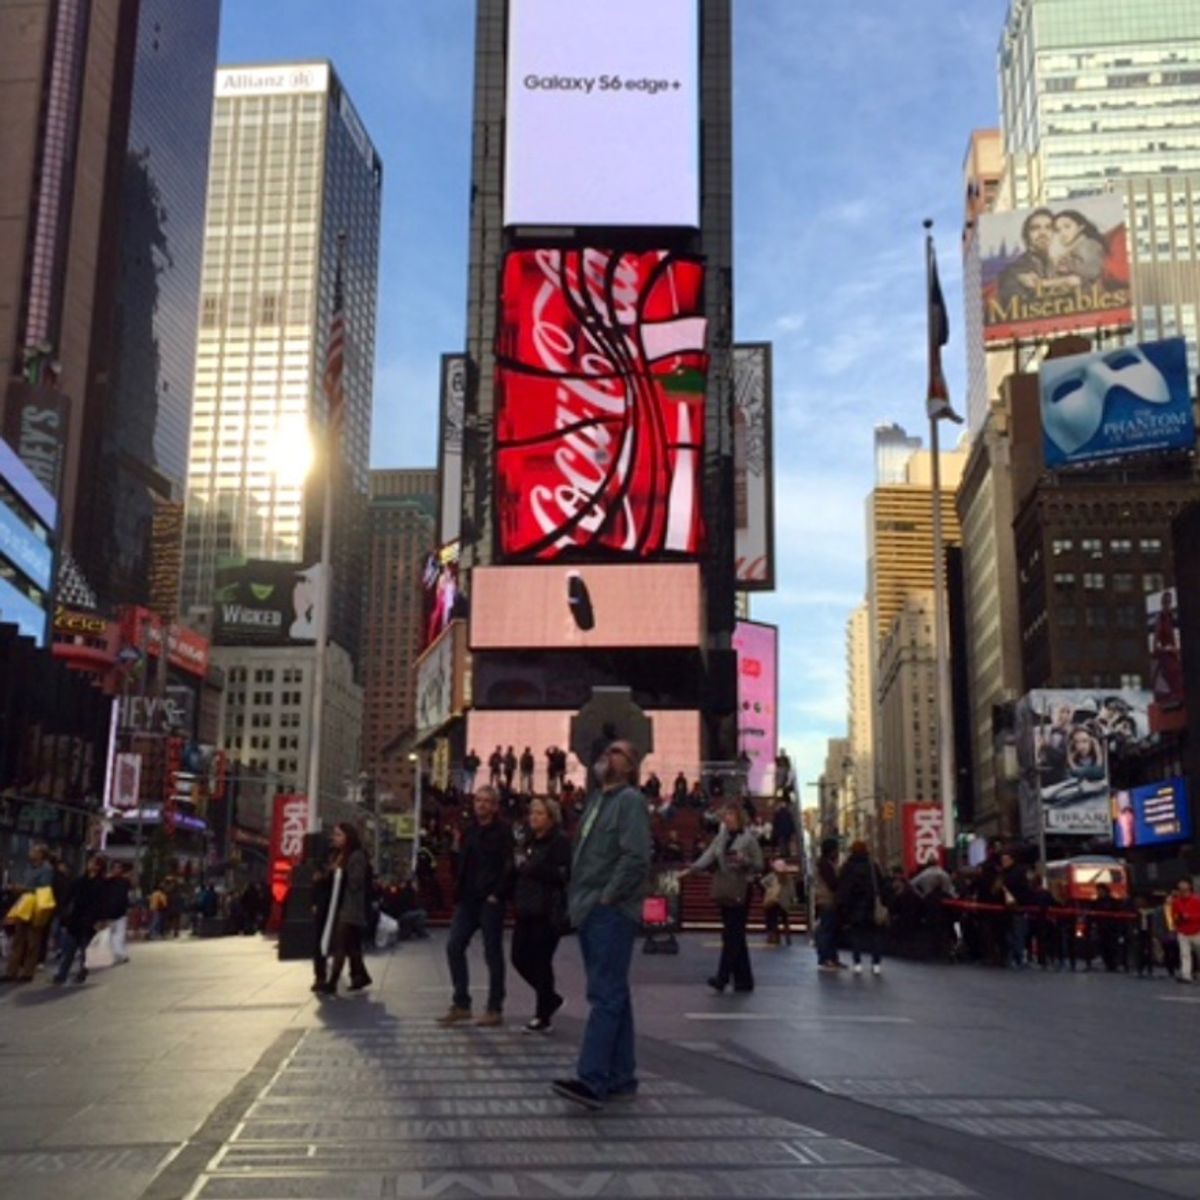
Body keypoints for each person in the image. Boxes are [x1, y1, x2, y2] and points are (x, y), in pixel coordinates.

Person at [552, 739, 651, 1110]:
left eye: (618, 753)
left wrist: (608, 896)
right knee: (615, 994)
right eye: (606, 751)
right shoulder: (597, 802)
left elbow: (635, 857)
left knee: (604, 995)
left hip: (609, 910)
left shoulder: (630, 802)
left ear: (630, 766)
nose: (607, 756)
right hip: (590, 908)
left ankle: (592, 1078)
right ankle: (622, 1076)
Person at [439, 786, 513, 1027]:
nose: (481, 804)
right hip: (468, 900)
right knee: (454, 946)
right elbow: (462, 863)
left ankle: (494, 1008)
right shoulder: (469, 831)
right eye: (478, 800)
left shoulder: (503, 832)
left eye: (486, 801)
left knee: (492, 954)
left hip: (490, 900)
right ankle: (461, 1003)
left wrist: (497, 894)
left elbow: (509, 865)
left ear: (494, 805)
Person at [680, 803, 763, 992]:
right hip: (725, 886)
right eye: (725, 815)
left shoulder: (749, 839)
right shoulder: (721, 837)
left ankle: (723, 976)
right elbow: (709, 855)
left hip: (741, 887)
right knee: (735, 934)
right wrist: (692, 869)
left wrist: (745, 861)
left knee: (732, 934)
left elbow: (759, 864)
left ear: (739, 817)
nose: (727, 818)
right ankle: (744, 980)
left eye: (731, 815)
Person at [511, 797, 572, 1033]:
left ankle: (542, 1014)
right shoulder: (527, 840)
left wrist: (534, 867)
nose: (533, 817)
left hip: (547, 910)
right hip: (525, 906)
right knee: (518, 958)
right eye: (532, 813)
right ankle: (550, 998)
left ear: (551, 817)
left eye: (539, 813)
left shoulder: (560, 841)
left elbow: (563, 873)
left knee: (541, 961)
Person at [316, 823, 372, 995]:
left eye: (339, 835)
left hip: (350, 907)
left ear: (348, 837)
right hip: (339, 904)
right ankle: (360, 976)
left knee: (340, 943)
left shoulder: (356, 856)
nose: (335, 838)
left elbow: (356, 882)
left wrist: (340, 871)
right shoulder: (338, 855)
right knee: (351, 945)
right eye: (334, 834)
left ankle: (332, 981)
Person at [2, 845, 55, 982]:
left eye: (34, 851)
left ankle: (27, 972)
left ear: (41, 854)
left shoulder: (46, 869)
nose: (31, 853)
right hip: (24, 904)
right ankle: (11, 971)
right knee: (18, 939)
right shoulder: (29, 867)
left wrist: (23, 888)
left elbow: (44, 888)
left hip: (36, 905)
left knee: (33, 941)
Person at [54, 855, 109, 985]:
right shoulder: (79, 881)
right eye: (91, 862)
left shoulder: (102, 884)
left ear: (100, 867)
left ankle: (82, 972)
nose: (92, 865)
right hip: (75, 918)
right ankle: (62, 975)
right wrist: (63, 911)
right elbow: (68, 896)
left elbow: (103, 903)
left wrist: (101, 920)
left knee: (86, 950)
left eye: (95, 863)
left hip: (90, 920)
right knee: (69, 949)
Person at [836, 840, 888, 975]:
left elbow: (843, 888)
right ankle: (876, 963)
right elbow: (881, 885)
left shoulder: (848, 866)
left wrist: (843, 906)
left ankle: (857, 962)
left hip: (854, 906)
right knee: (875, 935)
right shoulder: (872, 865)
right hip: (871, 904)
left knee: (856, 935)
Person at [997, 207, 1056, 305]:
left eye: (1048, 227)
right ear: (1026, 237)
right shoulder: (1012, 272)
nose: (1043, 233)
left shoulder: (1060, 266)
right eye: (1035, 228)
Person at [1052, 209, 1108, 289]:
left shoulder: (1088, 244)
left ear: (1081, 227)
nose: (1062, 233)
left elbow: (1092, 271)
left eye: (1067, 227)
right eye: (1058, 230)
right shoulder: (1073, 248)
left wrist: (1067, 264)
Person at [813, 838, 843, 970]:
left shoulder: (826, 863)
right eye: (836, 849)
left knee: (831, 930)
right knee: (827, 930)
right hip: (827, 900)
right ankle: (826, 958)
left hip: (827, 900)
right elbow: (833, 883)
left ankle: (832, 957)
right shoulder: (825, 865)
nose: (837, 852)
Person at [1169, 878, 1200, 984]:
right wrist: (1177, 922)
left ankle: (1188, 974)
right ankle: (1186, 975)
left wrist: (1189, 917)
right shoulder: (1176, 902)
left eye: (1184, 890)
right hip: (1183, 931)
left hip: (1197, 930)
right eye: (1180, 890)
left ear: (1189, 889)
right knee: (1184, 954)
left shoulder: (1197, 901)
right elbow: (1174, 915)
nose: (1182, 892)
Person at [104, 862, 132, 965]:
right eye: (115, 868)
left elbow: (127, 896)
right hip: (108, 912)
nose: (118, 870)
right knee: (110, 935)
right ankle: (115, 954)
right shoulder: (107, 881)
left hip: (121, 912)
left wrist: (128, 907)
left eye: (119, 868)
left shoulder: (125, 882)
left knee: (119, 935)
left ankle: (120, 954)